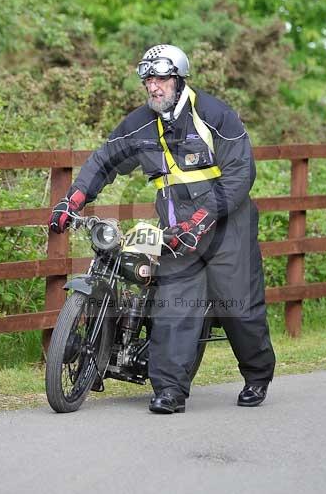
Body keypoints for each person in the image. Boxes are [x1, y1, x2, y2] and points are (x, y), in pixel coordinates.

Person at [48, 44, 275, 413]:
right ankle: (169, 391)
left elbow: (240, 175)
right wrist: (72, 199)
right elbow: (104, 160)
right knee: (173, 308)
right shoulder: (139, 123)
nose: (154, 87)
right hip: (175, 231)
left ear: (179, 79)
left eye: (162, 79)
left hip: (227, 227)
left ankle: (257, 375)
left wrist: (201, 219)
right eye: (148, 80)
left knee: (239, 308)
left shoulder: (215, 115)